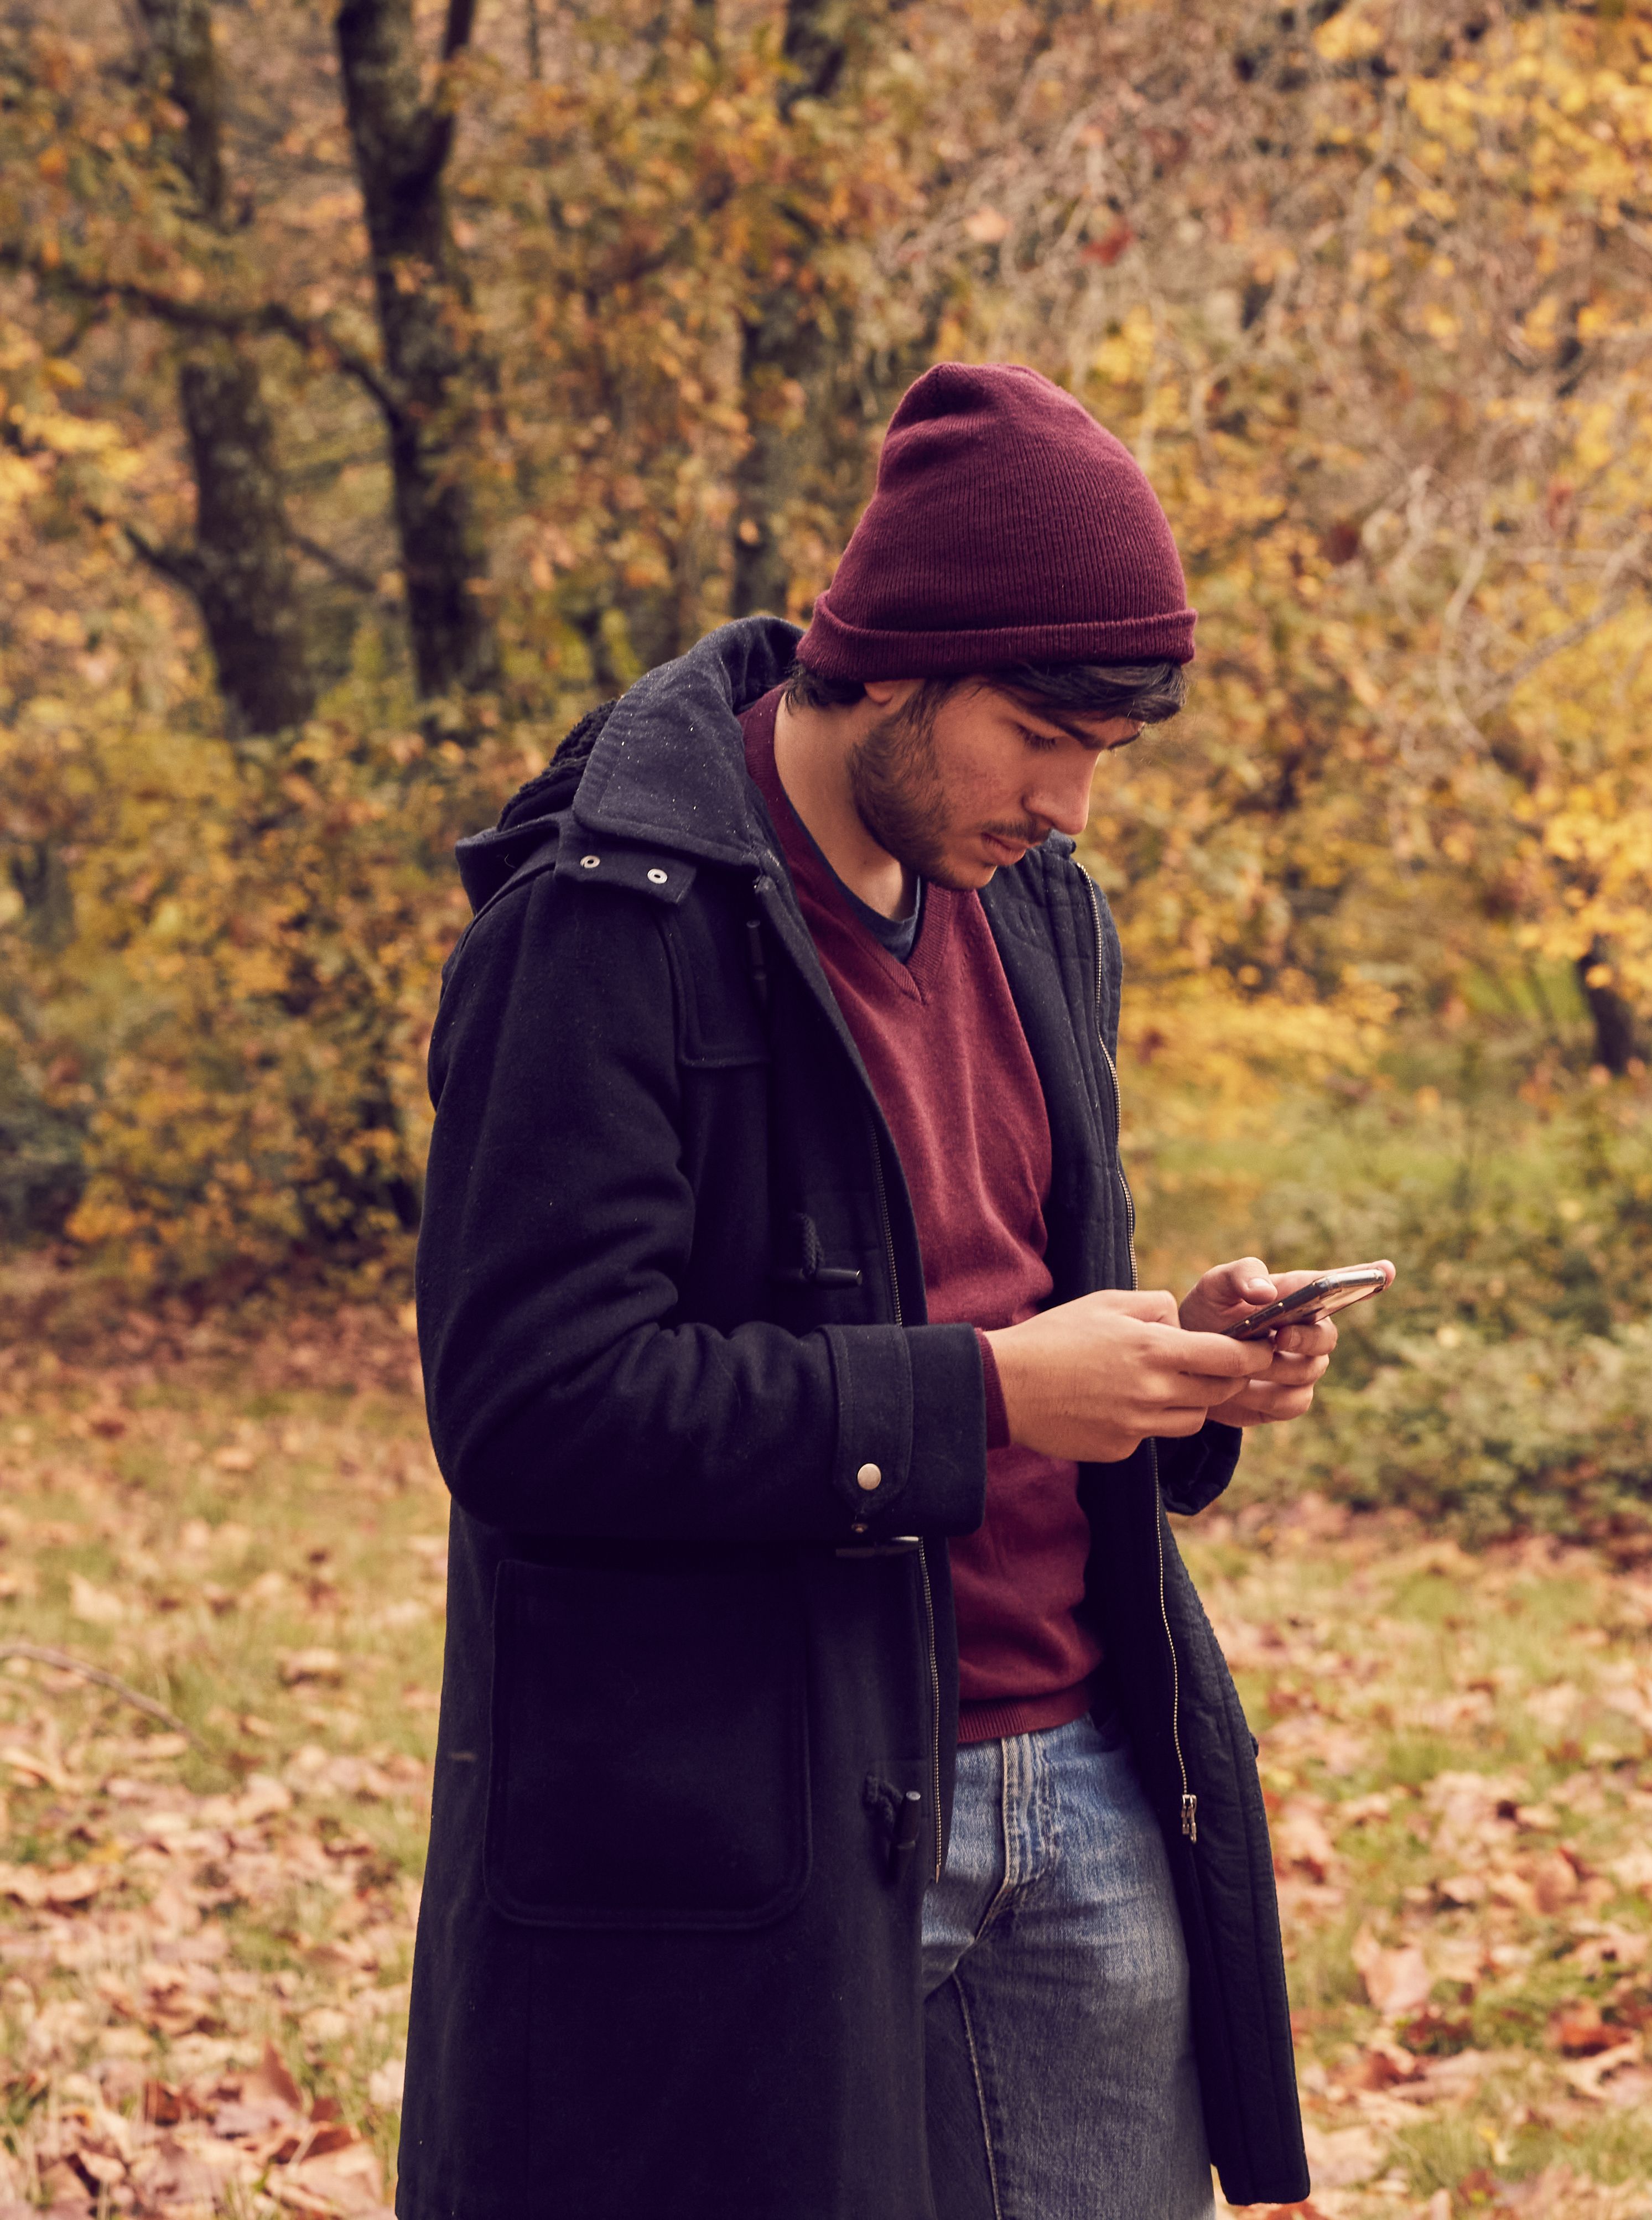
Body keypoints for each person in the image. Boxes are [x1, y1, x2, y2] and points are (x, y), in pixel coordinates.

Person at [398, 362, 1378, 2220]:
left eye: (1110, 749)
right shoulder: (606, 919)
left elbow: (1000, 1289)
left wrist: (1175, 1357)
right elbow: (531, 1408)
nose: (1074, 800)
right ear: (897, 660)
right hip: (741, 1823)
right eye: (1040, 732)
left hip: (1081, 1778)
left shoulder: (1029, 907)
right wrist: (993, 1394)